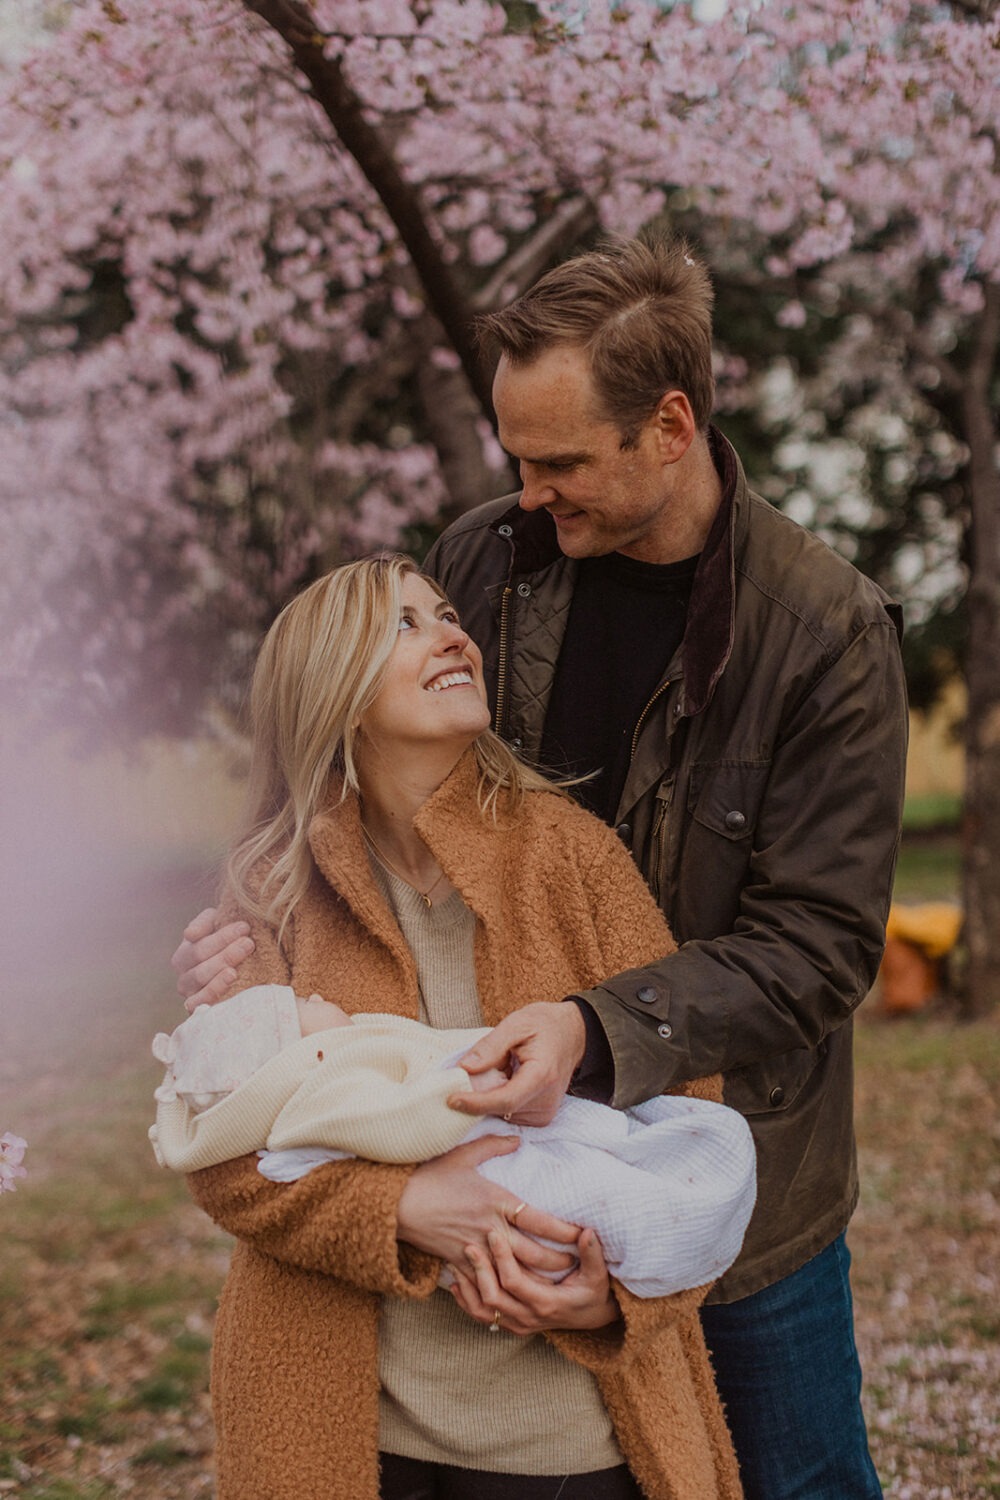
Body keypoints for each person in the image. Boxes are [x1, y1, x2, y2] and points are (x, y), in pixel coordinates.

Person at [174, 236, 908, 1500]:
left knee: (788, 1477)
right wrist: (254, 916)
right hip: (483, 1150)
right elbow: (353, 745)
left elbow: (821, 944)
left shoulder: (824, 634)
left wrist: (591, 1023)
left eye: (560, 461)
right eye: (516, 455)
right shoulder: (492, 556)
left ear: (667, 427)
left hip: (732, 1167)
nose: (527, 491)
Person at [178, 553, 745, 1500]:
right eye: (403, 624)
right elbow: (222, 1155)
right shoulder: (264, 893)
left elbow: (690, 1115)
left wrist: (623, 1294)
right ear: (336, 690)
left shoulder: (574, 857)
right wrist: (400, 1210)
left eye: (447, 613)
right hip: (343, 1428)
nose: (453, 635)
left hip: (566, 1435)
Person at [149, 983, 757, 1299]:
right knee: (600, 1199)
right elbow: (395, 1120)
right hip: (506, 1168)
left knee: (638, 1157)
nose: (313, 995)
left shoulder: (577, 855)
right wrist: (467, 1086)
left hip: (561, 1420)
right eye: (302, 1006)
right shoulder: (326, 1089)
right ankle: (670, 1223)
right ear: (296, 1055)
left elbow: (681, 1058)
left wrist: (608, 1307)